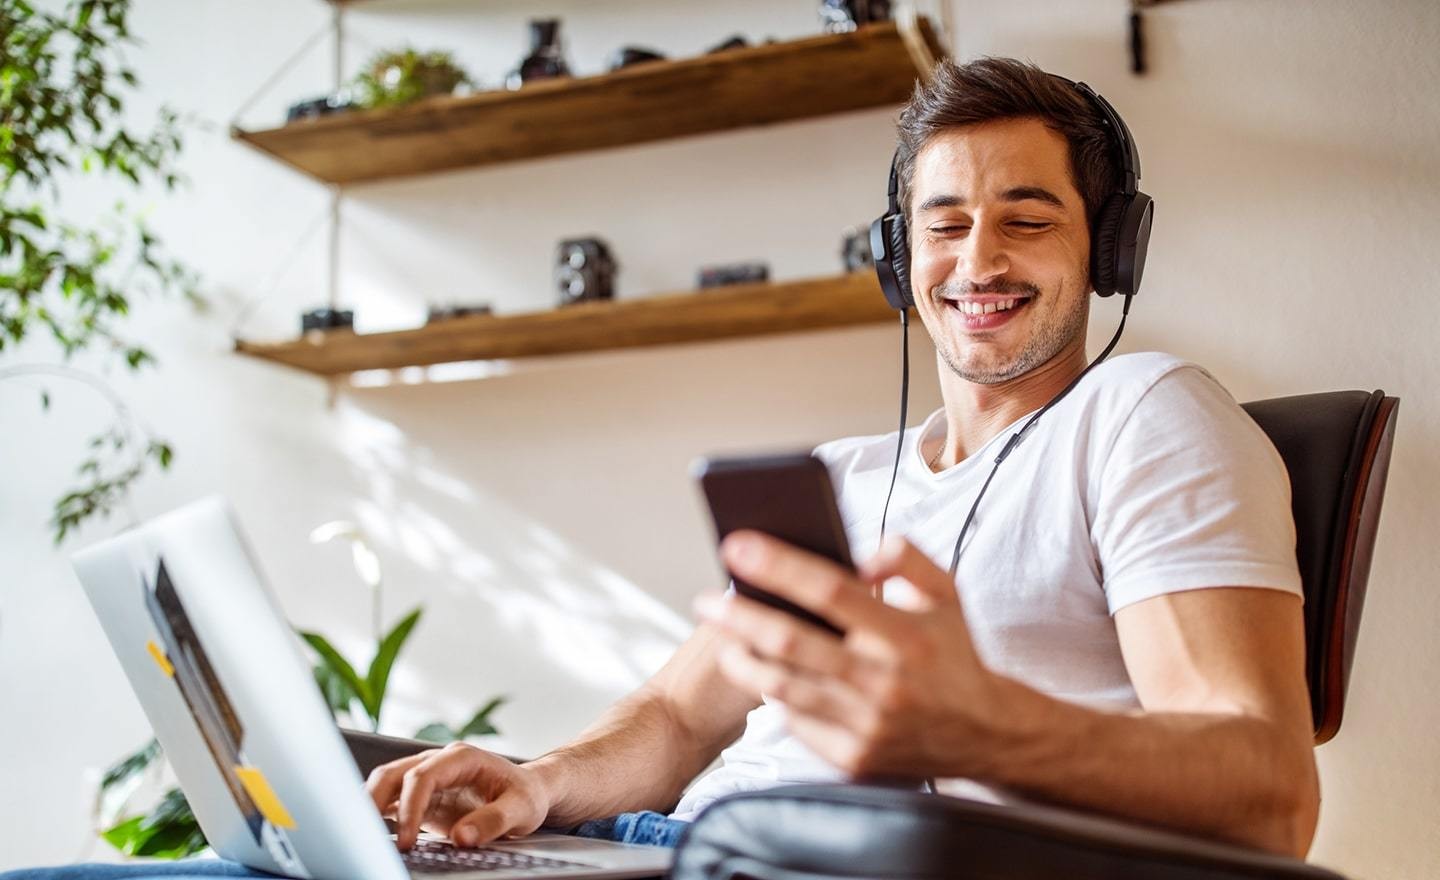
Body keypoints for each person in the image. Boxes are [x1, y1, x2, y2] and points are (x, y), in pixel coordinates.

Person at [0, 56, 1320, 880]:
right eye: (945, 223)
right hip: (649, 852)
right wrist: (540, 783)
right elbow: (685, 719)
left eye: (1028, 219)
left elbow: (1269, 794)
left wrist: (982, 730)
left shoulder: (1150, 416)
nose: (979, 260)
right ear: (894, 259)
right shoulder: (843, 475)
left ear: (1113, 251)